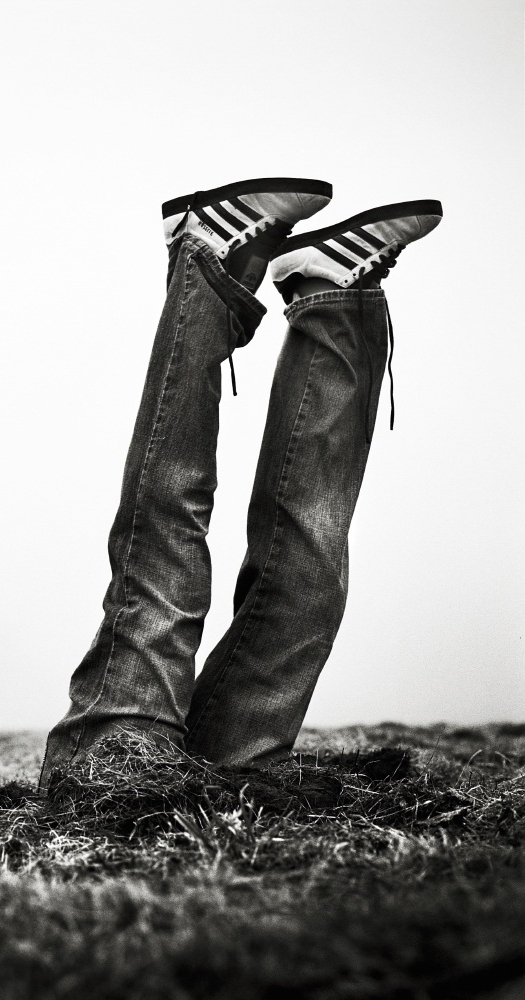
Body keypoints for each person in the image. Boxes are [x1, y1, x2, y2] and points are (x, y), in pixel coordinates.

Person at [39, 178, 442, 790]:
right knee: (298, 573)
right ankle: (327, 297)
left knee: (222, 546)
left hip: (125, 781)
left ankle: (209, 248)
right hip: (197, 773)